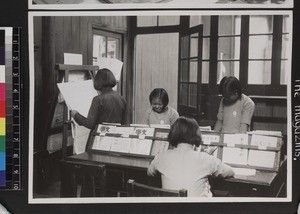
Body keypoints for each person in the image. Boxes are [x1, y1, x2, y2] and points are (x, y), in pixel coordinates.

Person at [147, 117, 234, 197]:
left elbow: (150, 172)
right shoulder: (205, 158)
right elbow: (230, 172)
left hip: (169, 209)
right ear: (196, 135)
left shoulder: (161, 157)